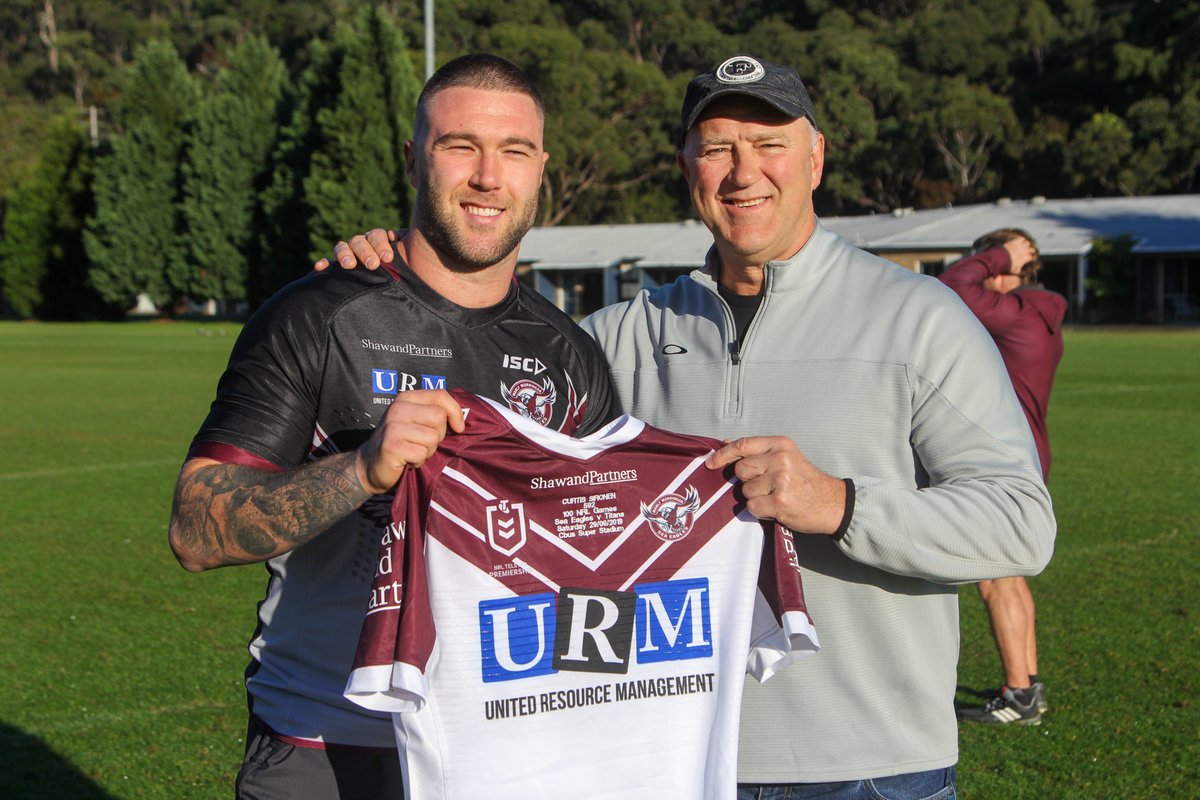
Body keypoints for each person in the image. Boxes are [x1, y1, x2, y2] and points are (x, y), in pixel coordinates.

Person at [332, 54, 1056, 800]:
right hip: (660, 766)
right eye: (717, 149)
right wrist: (399, 272)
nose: (744, 172)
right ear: (687, 168)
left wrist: (839, 503)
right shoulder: (615, 338)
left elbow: (1021, 526)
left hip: (871, 770)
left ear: (815, 159)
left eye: (769, 144)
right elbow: (481, 431)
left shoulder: (921, 318)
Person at [168, 54, 614, 800]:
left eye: (513, 151)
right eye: (460, 146)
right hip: (326, 742)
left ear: (541, 169)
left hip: (501, 746)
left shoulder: (570, 355)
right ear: (413, 160)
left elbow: (597, 563)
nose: (488, 177)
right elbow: (195, 529)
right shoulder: (318, 315)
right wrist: (362, 469)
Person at [938, 229, 1067, 725]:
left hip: (1001, 459)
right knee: (1008, 573)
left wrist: (997, 255)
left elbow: (952, 286)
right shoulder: (1038, 314)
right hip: (1026, 453)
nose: (981, 266)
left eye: (986, 260)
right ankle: (1027, 685)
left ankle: (1018, 696)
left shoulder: (1015, 315)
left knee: (994, 578)